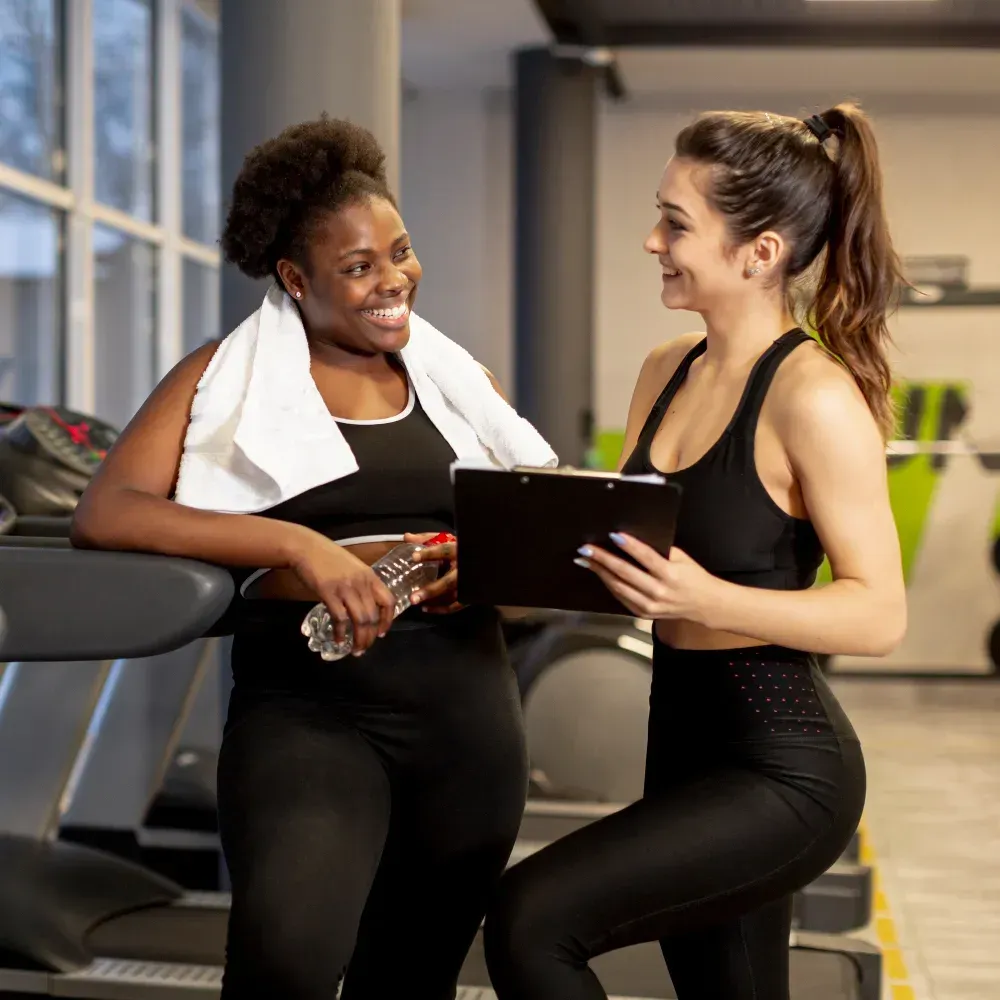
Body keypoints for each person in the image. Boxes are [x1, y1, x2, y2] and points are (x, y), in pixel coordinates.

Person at [70, 118, 549, 999]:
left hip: (466, 711)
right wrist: (300, 545)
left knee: (411, 980)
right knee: (283, 964)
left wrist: (482, 570)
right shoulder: (221, 377)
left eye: (400, 253)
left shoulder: (453, 380)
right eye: (358, 266)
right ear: (295, 279)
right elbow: (108, 512)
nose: (393, 280)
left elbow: (532, 543)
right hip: (309, 711)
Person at [483, 103, 907, 1000]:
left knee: (532, 921)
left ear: (760, 253)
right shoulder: (664, 369)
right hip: (678, 735)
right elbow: (631, 553)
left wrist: (708, 600)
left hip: (781, 761)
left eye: (676, 223)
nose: (652, 241)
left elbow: (879, 612)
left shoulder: (813, 397)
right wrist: (500, 550)